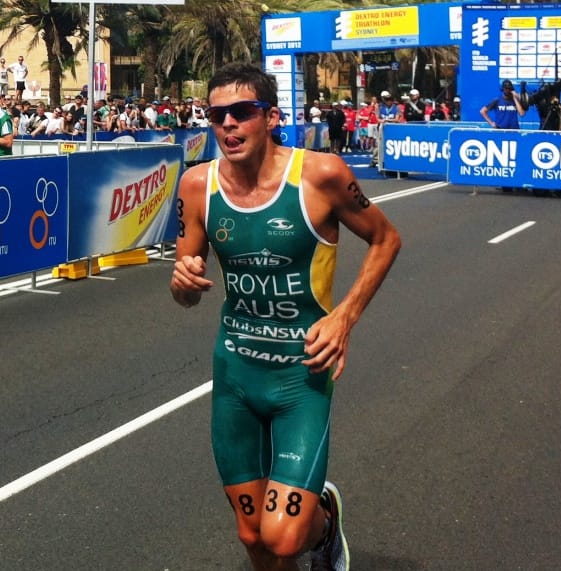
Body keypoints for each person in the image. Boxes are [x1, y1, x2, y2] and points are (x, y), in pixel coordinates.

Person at [169, 61, 401, 571]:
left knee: (284, 535)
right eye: (217, 115)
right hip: (236, 376)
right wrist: (181, 282)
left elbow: (386, 239)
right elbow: (186, 291)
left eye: (242, 112)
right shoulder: (196, 186)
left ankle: (325, 519)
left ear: (270, 117)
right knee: (252, 535)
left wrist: (344, 318)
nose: (228, 124)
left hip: (302, 377)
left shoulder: (322, 175)